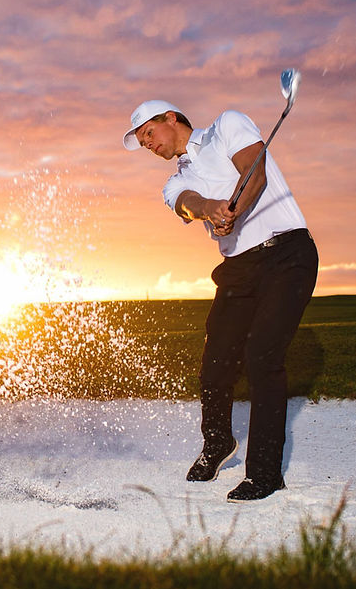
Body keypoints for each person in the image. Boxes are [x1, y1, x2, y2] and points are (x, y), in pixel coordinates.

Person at [123, 100, 318, 502]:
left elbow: (255, 171)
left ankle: (264, 475)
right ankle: (217, 443)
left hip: (287, 254)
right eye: (142, 142)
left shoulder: (227, 125)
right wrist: (212, 210)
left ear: (171, 118)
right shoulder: (174, 180)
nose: (147, 145)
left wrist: (236, 208)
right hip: (237, 268)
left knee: (263, 356)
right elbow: (188, 203)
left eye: (148, 134)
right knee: (216, 364)